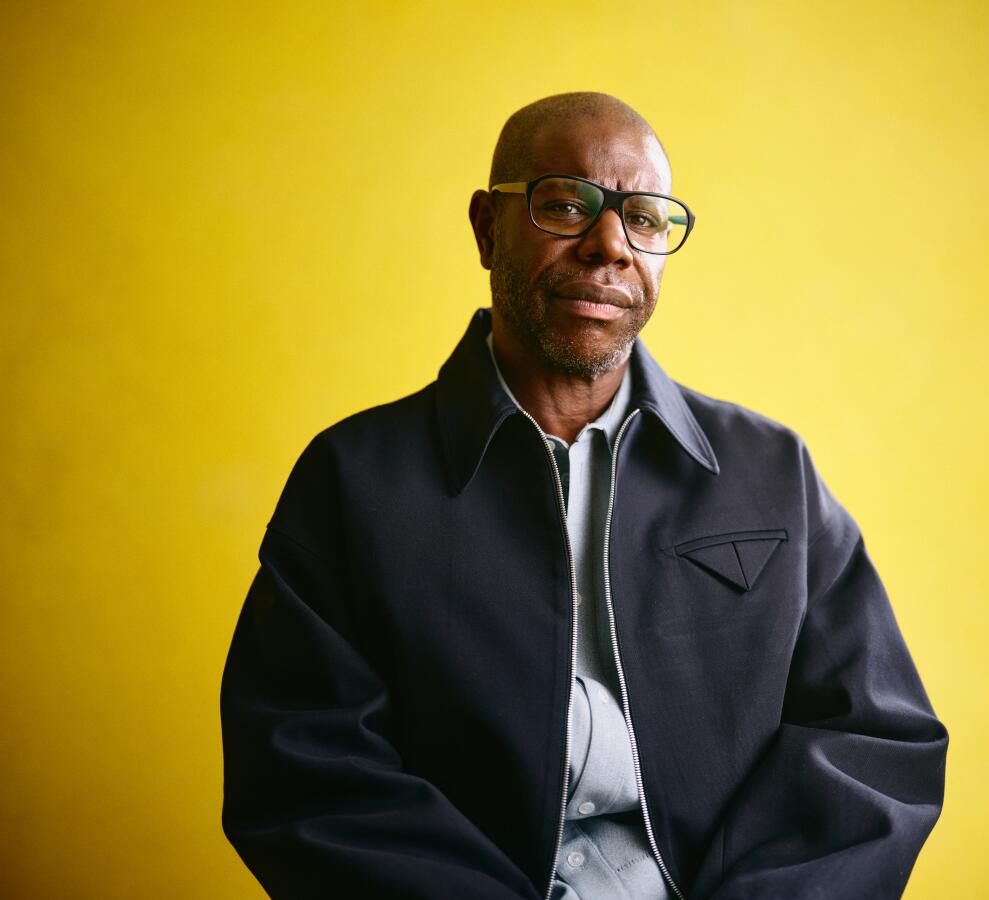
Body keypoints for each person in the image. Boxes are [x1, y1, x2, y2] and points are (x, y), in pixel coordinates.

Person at [220, 92, 948, 900]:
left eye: (644, 218)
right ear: (487, 229)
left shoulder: (769, 470)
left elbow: (877, 742)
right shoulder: (353, 481)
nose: (610, 246)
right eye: (566, 204)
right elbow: (304, 772)